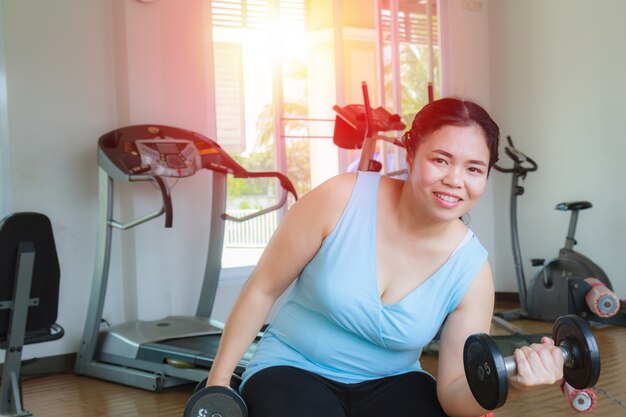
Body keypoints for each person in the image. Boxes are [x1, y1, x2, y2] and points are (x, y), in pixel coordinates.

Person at [206, 98, 565, 417]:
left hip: (394, 383)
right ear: (411, 155)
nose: (455, 180)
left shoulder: (472, 271)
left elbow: (455, 395)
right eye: (441, 160)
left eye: (473, 169)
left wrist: (510, 381)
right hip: (292, 369)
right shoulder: (340, 199)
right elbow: (262, 289)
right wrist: (218, 385)